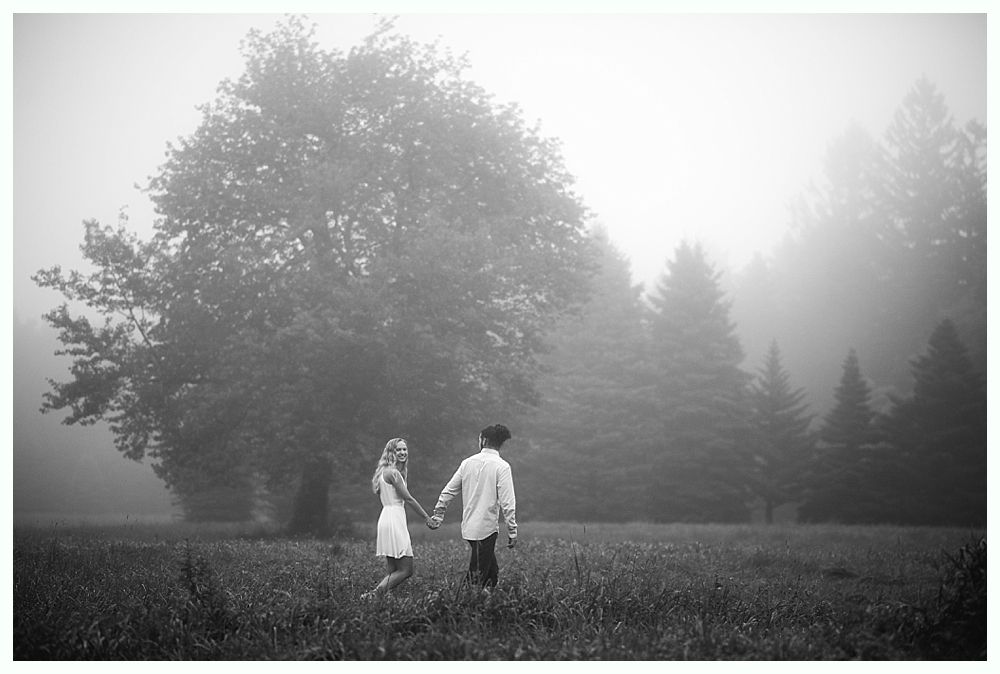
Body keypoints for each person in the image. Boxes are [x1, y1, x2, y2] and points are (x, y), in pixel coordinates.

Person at [428, 424, 517, 589]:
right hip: (487, 529)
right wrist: (512, 530)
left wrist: (439, 514)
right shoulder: (502, 466)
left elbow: (448, 491)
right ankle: (459, 605)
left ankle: (484, 606)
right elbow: (508, 503)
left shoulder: (467, 463)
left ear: (483, 440)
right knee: (476, 576)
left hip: (469, 527)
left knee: (491, 573)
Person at [365, 438, 436, 598]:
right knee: (406, 570)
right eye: (399, 450)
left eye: (405, 449)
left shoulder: (387, 472)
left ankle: (384, 600)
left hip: (387, 517)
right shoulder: (393, 473)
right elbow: (409, 499)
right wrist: (427, 518)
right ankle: (372, 595)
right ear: (391, 452)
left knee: (393, 568)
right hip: (394, 520)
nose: (403, 452)